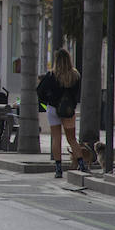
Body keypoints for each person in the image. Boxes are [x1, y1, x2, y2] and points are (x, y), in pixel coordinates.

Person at [38, 48, 85, 177]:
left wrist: (49, 100)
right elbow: (77, 94)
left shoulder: (51, 75)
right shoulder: (75, 75)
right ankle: (81, 164)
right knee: (72, 139)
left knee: (56, 138)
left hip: (53, 109)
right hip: (68, 110)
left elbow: (40, 91)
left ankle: (58, 168)